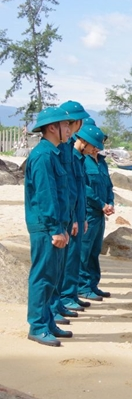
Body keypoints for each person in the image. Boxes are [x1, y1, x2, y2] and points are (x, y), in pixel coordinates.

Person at [24, 106, 72, 346]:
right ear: (53, 128)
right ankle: (37, 325)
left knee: (52, 276)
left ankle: (48, 321)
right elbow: (46, 196)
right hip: (45, 226)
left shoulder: (52, 153)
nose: (69, 130)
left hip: (54, 224)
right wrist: (55, 228)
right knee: (43, 276)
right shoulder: (43, 155)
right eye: (65, 126)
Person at [52, 100, 90, 321]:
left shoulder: (68, 149)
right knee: (55, 269)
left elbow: (75, 188)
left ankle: (63, 300)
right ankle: (55, 306)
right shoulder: (62, 150)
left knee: (68, 261)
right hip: (62, 218)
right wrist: (72, 218)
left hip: (70, 215)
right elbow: (60, 189)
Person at [80, 125, 113, 301]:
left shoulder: (102, 162)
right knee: (84, 251)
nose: (99, 146)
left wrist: (110, 202)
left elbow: (108, 185)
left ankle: (93, 284)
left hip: (100, 213)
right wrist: (101, 204)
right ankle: (83, 286)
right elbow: (84, 188)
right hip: (89, 212)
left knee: (94, 251)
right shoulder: (83, 160)